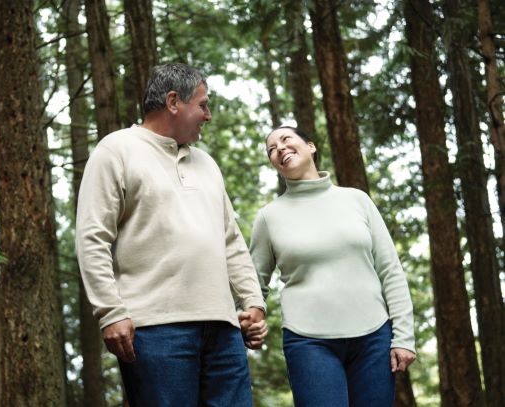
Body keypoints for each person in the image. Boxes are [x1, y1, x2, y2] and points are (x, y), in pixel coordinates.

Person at [75, 63, 267, 406]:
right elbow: (93, 237)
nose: (207, 116)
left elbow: (231, 240)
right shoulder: (115, 150)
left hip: (223, 329)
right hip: (156, 330)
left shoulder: (207, 164)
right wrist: (111, 312)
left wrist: (253, 301)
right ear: (174, 101)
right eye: (203, 105)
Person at [243, 126, 416, 406]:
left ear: (310, 146)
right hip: (308, 343)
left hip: (373, 338)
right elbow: (253, 283)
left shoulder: (357, 200)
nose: (279, 148)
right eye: (271, 149)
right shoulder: (269, 217)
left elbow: (390, 270)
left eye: (286, 139)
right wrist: (250, 322)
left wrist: (404, 337)